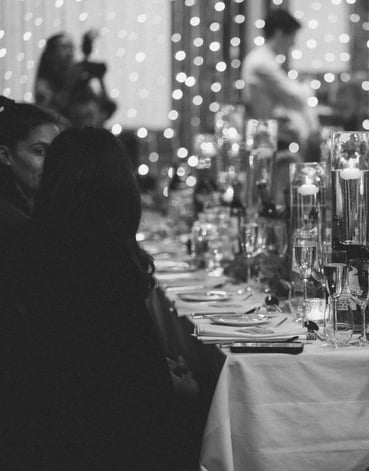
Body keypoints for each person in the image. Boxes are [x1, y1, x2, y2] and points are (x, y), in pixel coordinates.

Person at [0, 128, 175, 470]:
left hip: (29, 419)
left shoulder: (21, 242)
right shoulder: (107, 261)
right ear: (121, 188)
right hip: (98, 432)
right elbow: (142, 385)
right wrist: (176, 381)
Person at [241, 9, 319, 149]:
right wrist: (306, 84)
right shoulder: (262, 61)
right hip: (265, 135)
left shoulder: (265, 58)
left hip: (270, 131)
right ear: (279, 33)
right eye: (292, 36)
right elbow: (296, 93)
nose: (293, 43)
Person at [0, 96, 61, 237]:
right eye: (40, 151)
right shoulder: (12, 224)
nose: (53, 161)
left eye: (57, 151)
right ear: (4, 155)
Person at [35, 31, 116, 126]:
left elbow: (106, 105)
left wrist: (100, 79)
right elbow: (49, 107)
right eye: (64, 47)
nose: (69, 52)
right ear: (51, 53)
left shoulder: (81, 72)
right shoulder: (45, 81)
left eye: (71, 47)